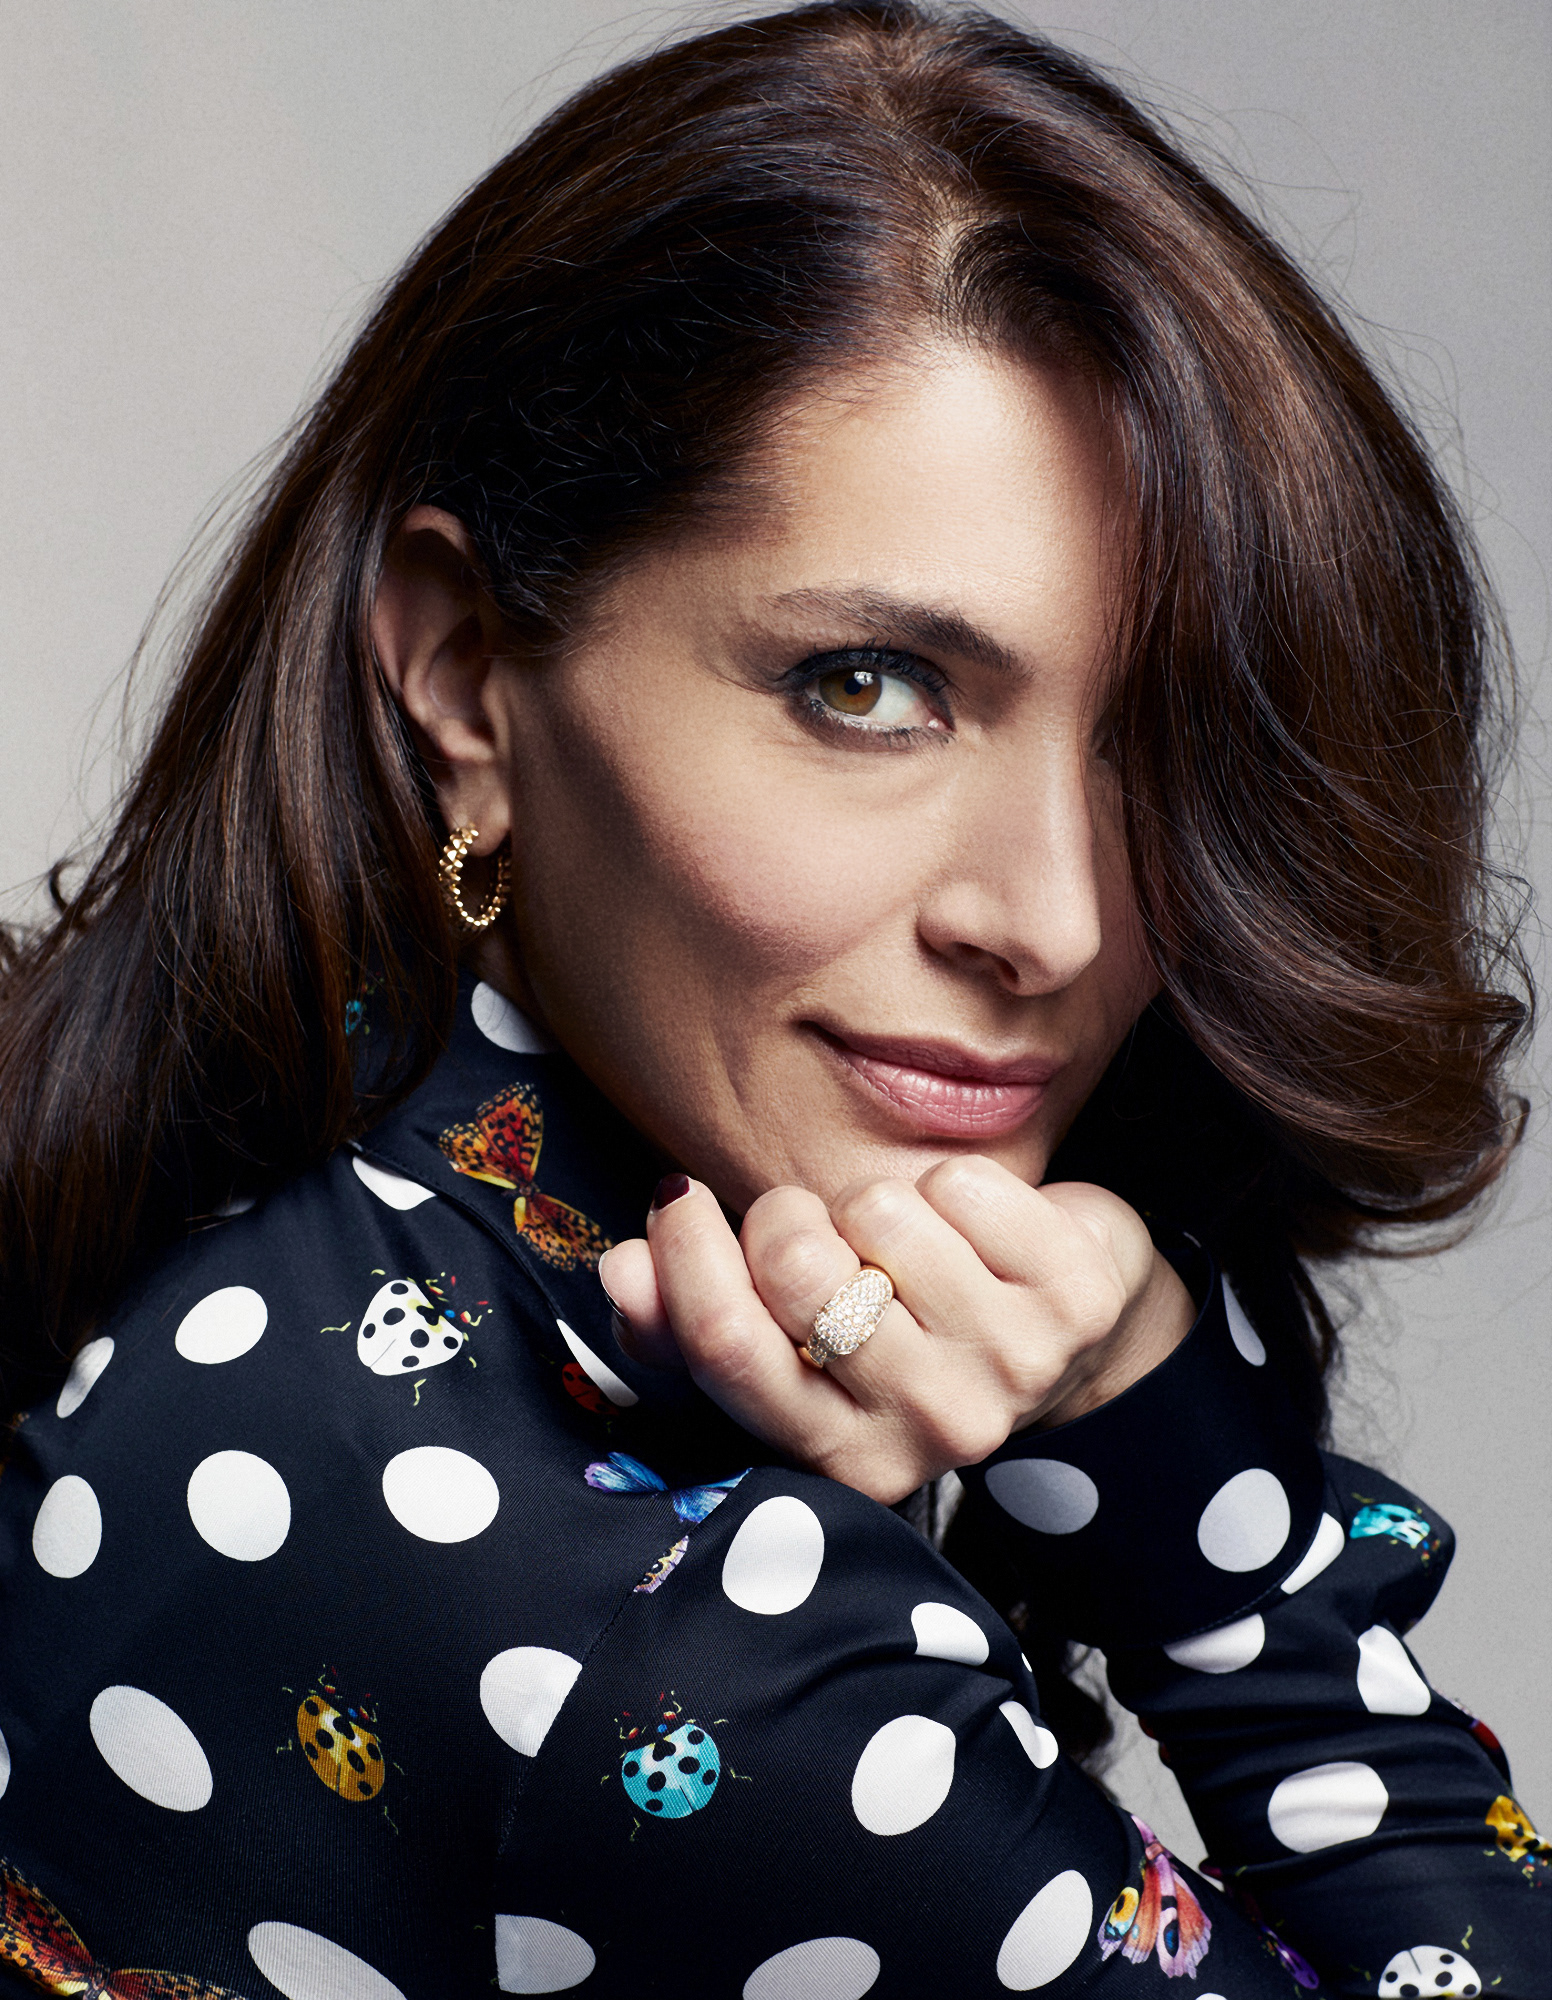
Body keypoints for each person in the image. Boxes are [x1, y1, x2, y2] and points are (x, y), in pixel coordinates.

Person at [0, 4, 1543, 1996]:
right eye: (867, 688)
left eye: (1161, 737)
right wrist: (1184, 1505)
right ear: (465, 677)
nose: (1053, 921)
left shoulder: (225, 1198)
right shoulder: (695, 1654)